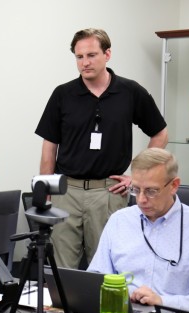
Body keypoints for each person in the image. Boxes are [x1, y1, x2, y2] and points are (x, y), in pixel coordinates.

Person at [35, 28, 168, 269]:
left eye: (91, 55)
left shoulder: (129, 92)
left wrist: (136, 178)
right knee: (62, 269)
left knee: (107, 268)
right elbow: (49, 146)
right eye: (79, 57)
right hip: (66, 192)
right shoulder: (63, 94)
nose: (84, 63)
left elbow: (160, 133)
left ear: (107, 54)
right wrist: (45, 191)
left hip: (108, 193)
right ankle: (65, 309)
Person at [88, 148, 189, 312]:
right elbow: (96, 277)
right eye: (135, 190)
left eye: (151, 191)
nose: (141, 200)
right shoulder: (119, 220)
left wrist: (163, 301)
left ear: (174, 185)